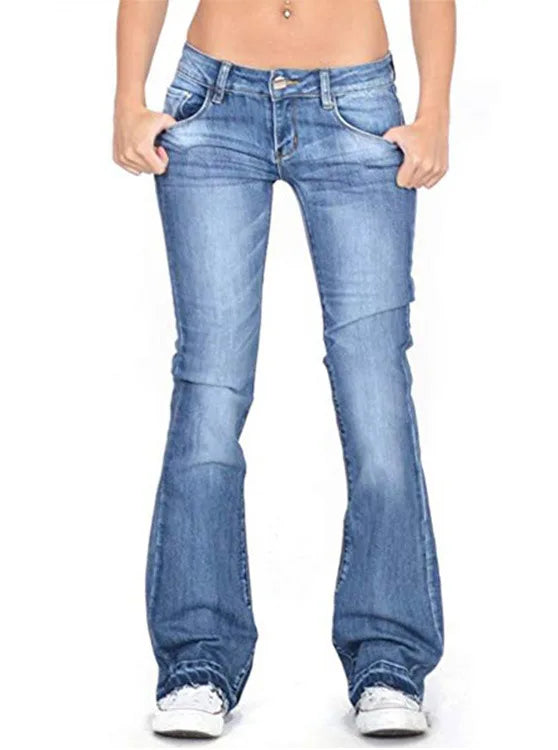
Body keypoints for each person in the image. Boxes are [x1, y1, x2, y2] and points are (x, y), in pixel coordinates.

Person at [113, 0, 455, 738]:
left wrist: (434, 113)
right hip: (212, 104)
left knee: (374, 389)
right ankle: (197, 661)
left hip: (355, 106)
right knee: (209, 387)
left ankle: (389, 659)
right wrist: (126, 97)